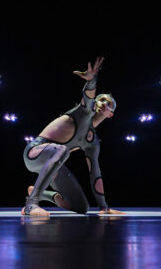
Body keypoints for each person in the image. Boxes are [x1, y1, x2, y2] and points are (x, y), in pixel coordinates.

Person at [21, 56, 126, 216]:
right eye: (101, 100)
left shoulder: (92, 142)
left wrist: (104, 207)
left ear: (110, 114)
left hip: (53, 162)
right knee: (62, 151)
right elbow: (88, 96)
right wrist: (92, 80)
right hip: (34, 153)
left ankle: (42, 193)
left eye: (108, 104)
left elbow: (95, 173)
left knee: (80, 207)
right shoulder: (85, 112)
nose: (104, 103)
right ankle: (31, 204)